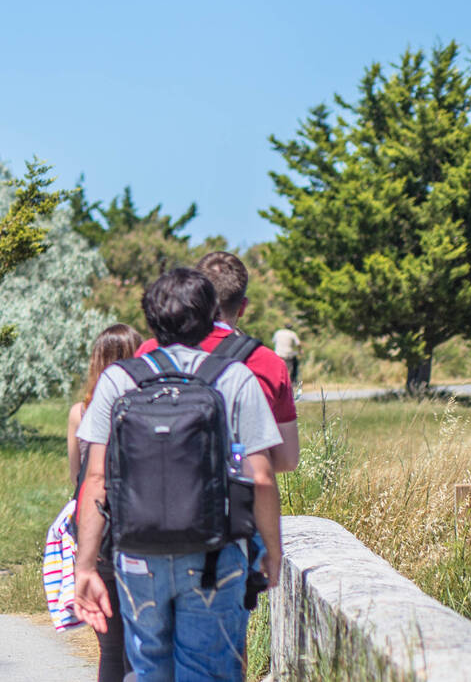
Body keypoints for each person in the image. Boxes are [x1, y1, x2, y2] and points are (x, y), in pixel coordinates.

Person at [72, 268, 282, 681]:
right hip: (214, 555)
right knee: (208, 672)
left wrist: (85, 565)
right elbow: (261, 477)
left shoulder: (119, 379)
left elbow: (95, 480)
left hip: (136, 555)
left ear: (151, 320)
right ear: (211, 317)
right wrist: (272, 552)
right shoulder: (234, 377)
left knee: (148, 669)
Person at [135, 252, 300, 474]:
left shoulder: (151, 352)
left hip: (157, 486)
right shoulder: (268, 363)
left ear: (194, 298)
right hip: (232, 492)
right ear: (242, 307)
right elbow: (287, 460)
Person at [64, 323, 143, 682]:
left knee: (109, 648)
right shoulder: (146, 405)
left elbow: (77, 476)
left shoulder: (81, 412)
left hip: (96, 531)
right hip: (139, 526)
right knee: (141, 644)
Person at [273, 327, 301, 394]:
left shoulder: (278, 332)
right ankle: (293, 381)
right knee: (290, 369)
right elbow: (298, 344)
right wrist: (300, 350)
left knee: (278, 370)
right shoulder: (292, 333)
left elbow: (273, 341)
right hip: (288, 355)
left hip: (278, 354)